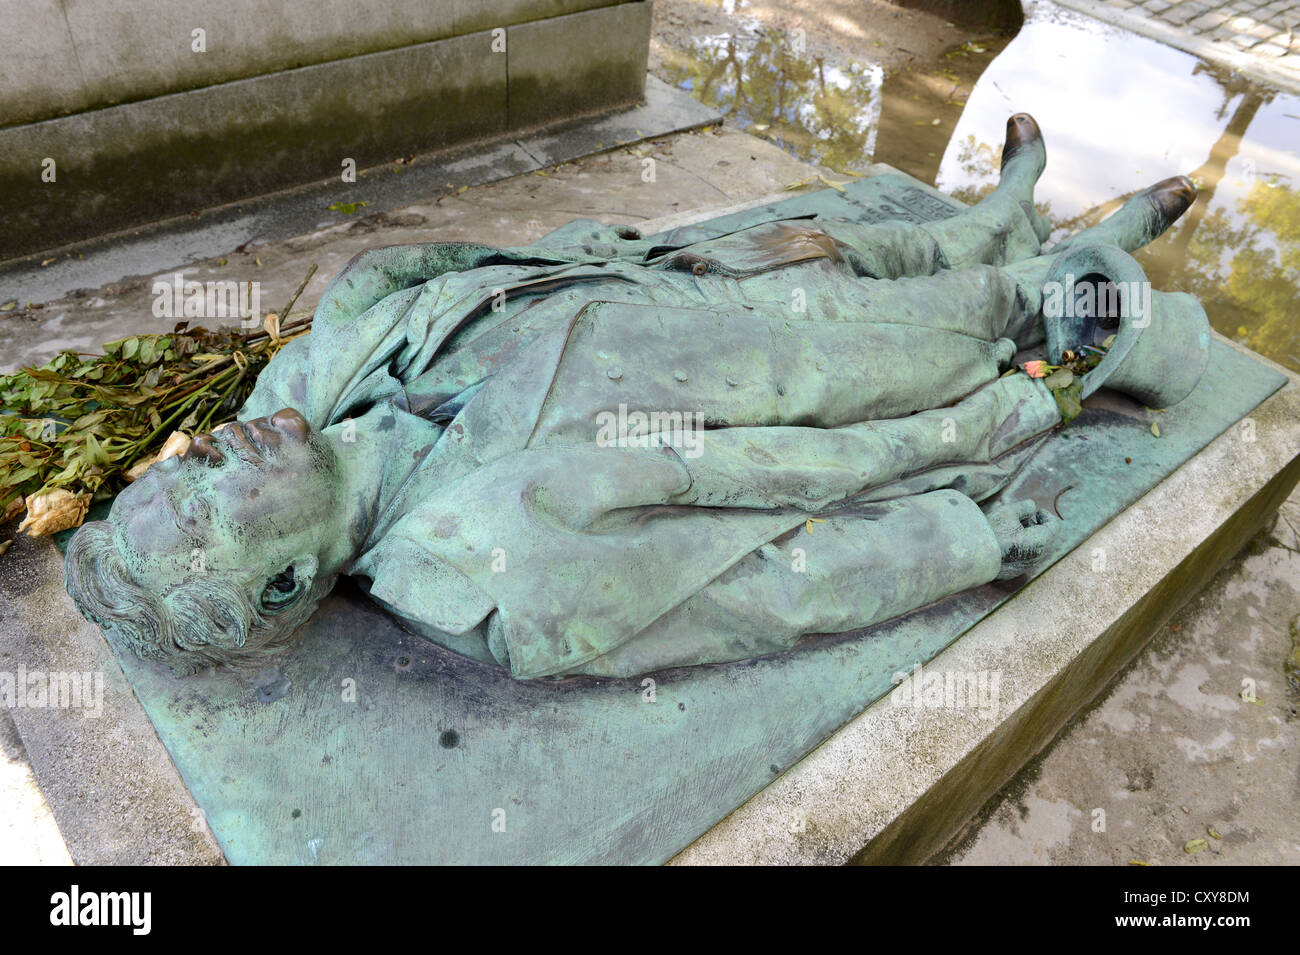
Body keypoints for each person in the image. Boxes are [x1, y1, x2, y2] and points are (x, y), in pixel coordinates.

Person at [64, 114, 1205, 679]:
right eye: (212, 494)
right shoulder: (501, 568)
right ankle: (1104, 242)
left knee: (894, 245)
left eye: (188, 460)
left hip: (701, 273)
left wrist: (587, 245)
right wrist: (954, 538)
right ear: (286, 578)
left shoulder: (307, 383)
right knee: (989, 308)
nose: (209, 449)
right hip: (823, 377)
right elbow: (759, 591)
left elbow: (392, 268)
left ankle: (1011, 199)